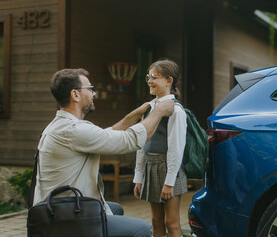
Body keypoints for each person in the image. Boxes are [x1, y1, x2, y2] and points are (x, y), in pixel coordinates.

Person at [33, 68, 175, 237]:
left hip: (59, 207)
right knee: (141, 229)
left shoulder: (65, 126)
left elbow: (109, 134)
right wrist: (159, 111)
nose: (94, 94)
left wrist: (137, 113)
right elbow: (130, 140)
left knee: (115, 209)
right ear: (75, 95)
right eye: (90, 89)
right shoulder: (72, 130)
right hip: (65, 216)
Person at [133, 59, 188, 237]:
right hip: (150, 166)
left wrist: (169, 181)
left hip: (168, 168)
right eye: (148, 77)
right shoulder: (149, 108)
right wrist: (138, 177)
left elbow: (176, 148)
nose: (150, 81)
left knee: (170, 223)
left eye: (154, 77)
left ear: (169, 81)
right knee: (156, 221)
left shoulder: (176, 110)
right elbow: (142, 144)